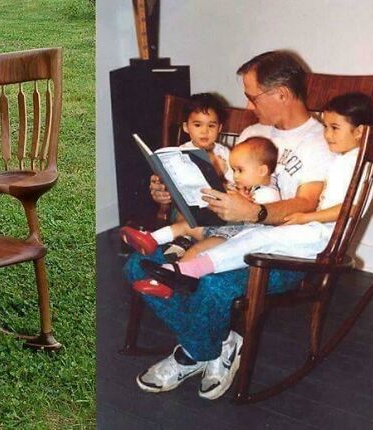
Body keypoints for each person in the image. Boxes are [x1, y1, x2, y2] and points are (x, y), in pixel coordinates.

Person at [132, 51, 337, 400]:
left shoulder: (320, 141)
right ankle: (217, 344)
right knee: (137, 266)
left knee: (212, 286)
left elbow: (306, 204)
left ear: (282, 94)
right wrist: (169, 194)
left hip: (277, 251)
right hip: (228, 235)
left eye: (252, 95)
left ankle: (189, 354)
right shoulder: (255, 131)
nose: (247, 103)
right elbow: (226, 187)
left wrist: (253, 212)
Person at [142, 92, 373, 289]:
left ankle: (189, 269)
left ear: (359, 131)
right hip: (314, 230)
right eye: (326, 126)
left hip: (323, 237)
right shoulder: (344, 159)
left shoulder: (360, 165)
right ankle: (183, 268)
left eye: (335, 128)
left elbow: (352, 208)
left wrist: (306, 217)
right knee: (249, 236)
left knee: (258, 238)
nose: (327, 134)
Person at [121, 136, 280, 271]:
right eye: (234, 170)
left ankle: (172, 273)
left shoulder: (268, 192)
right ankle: (150, 239)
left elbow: (255, 213)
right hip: (220, 226)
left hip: (233, 238)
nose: (235, 176)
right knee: (186, 225)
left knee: (198, 249)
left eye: (240, 170)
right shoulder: (244, 186)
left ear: (261, 171)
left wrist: (243, 198)